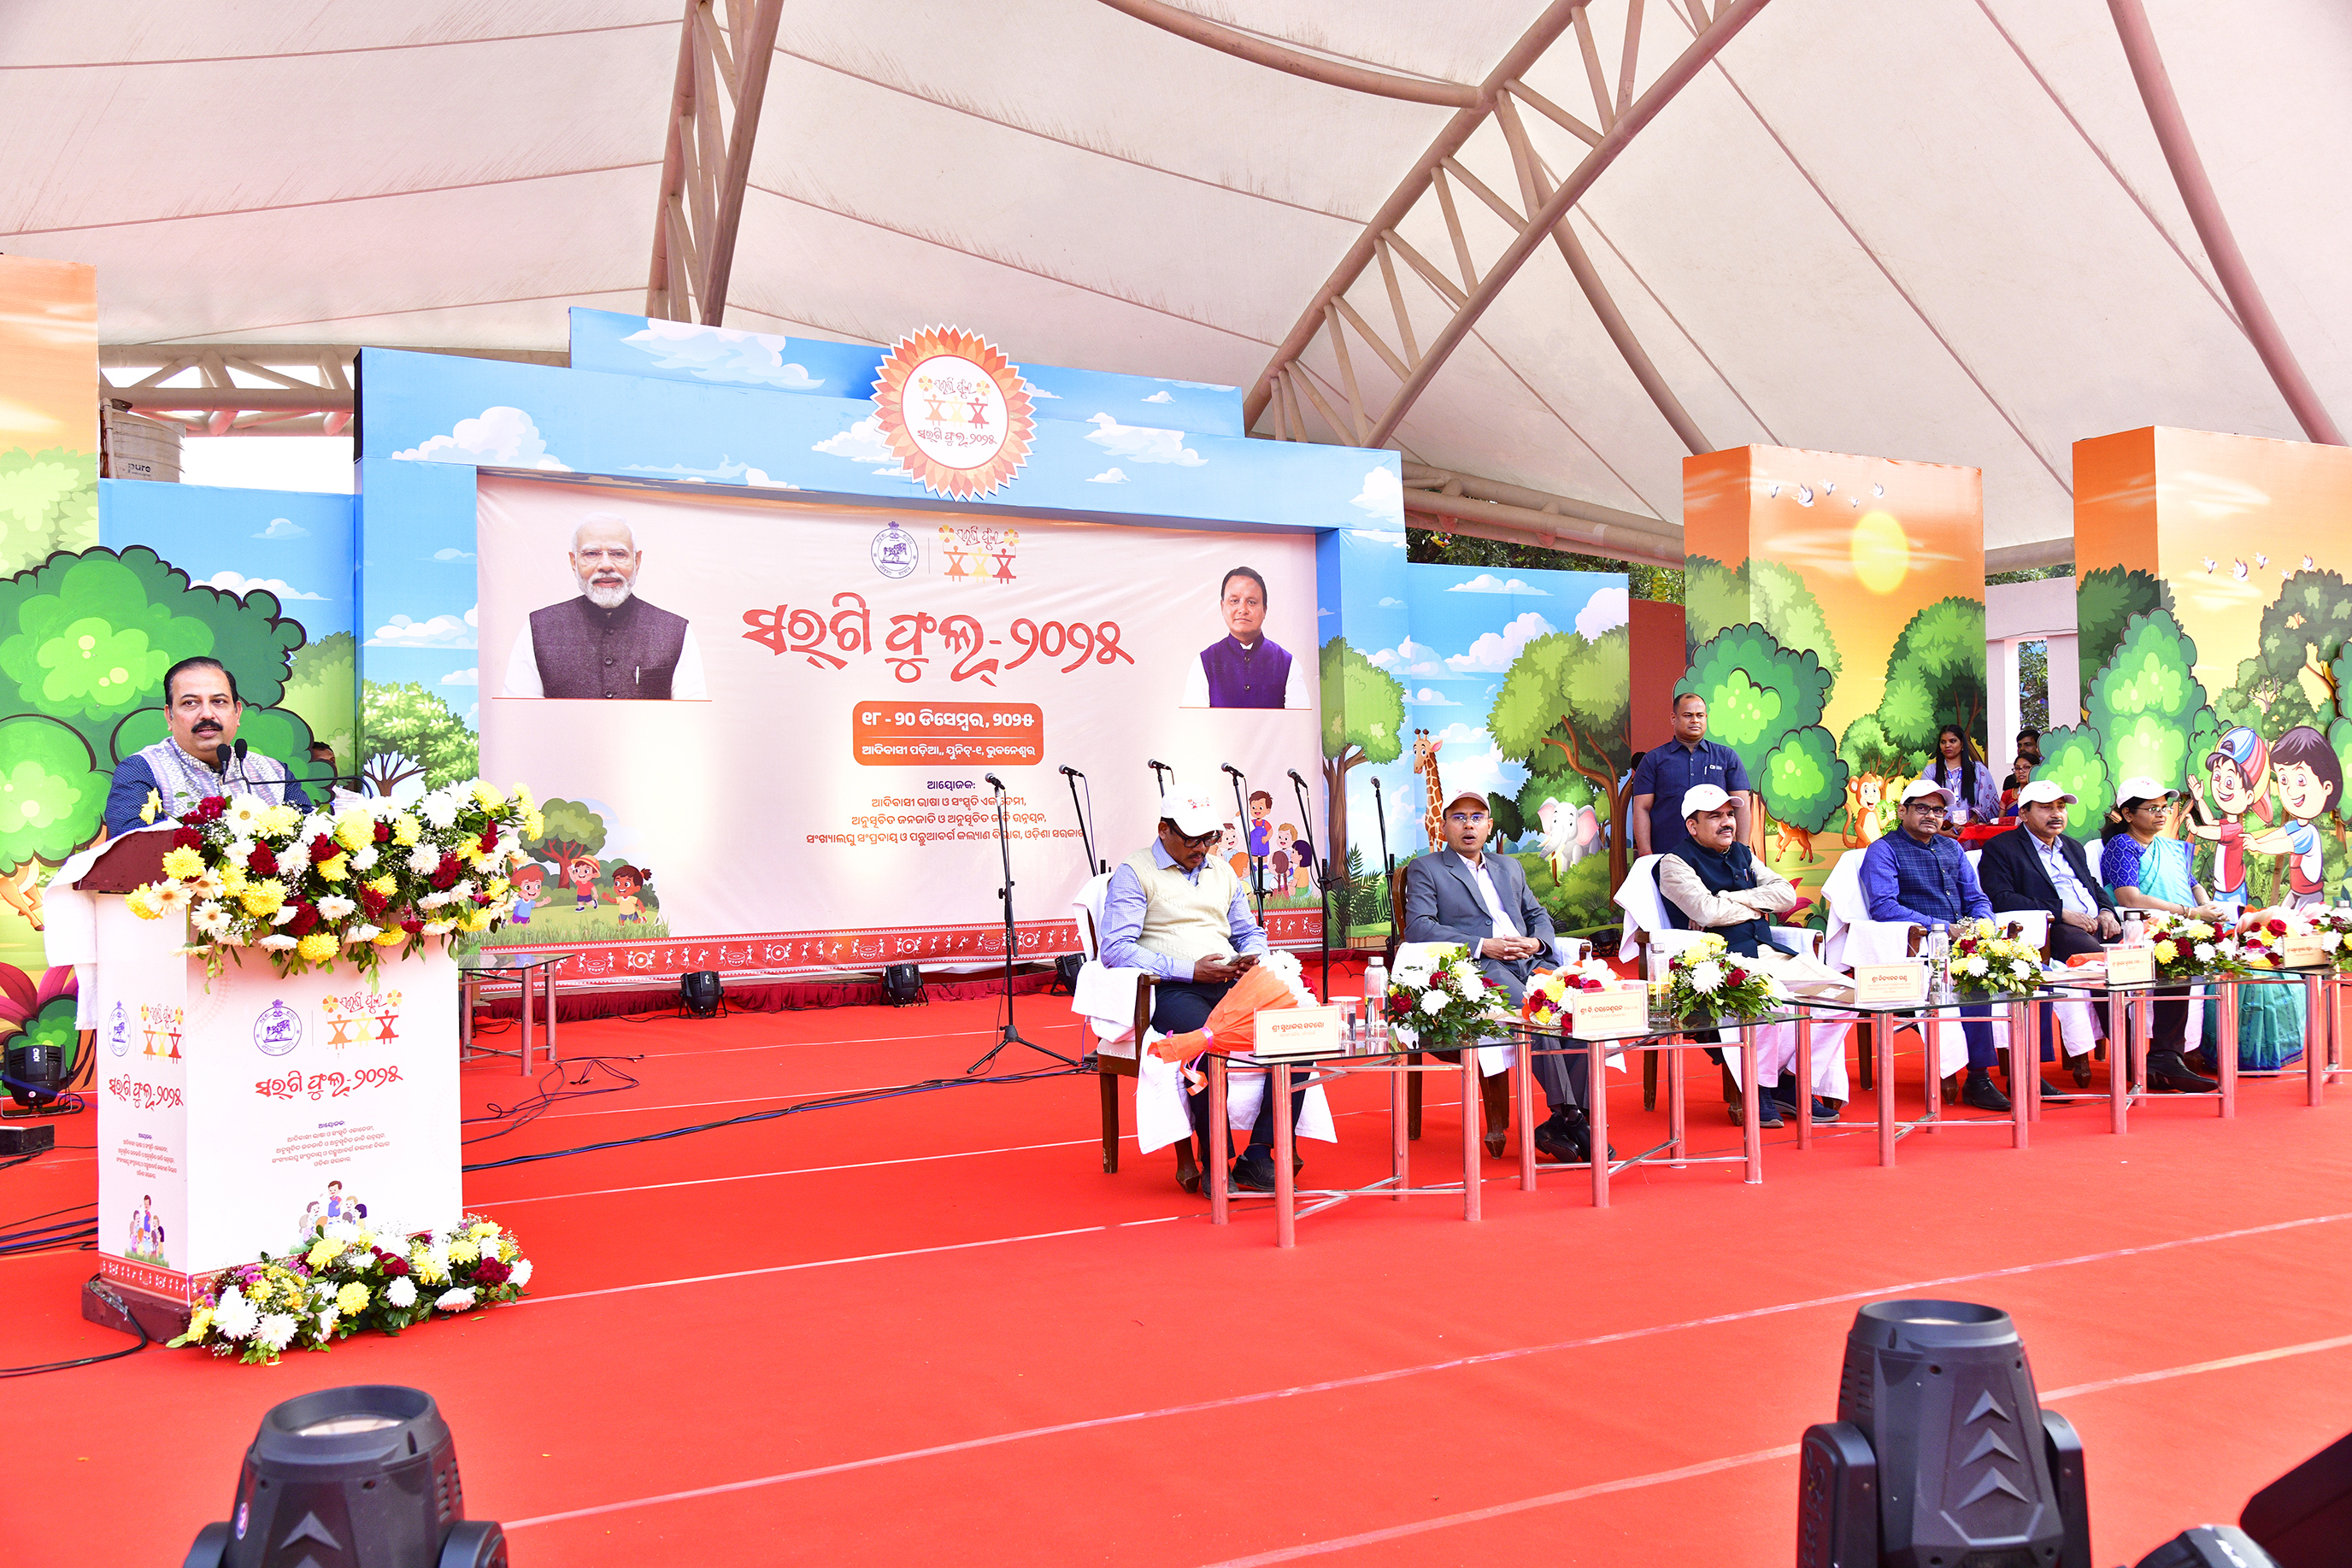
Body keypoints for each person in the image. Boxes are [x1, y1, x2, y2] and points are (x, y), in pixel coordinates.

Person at [1099, 790, 1301, 1192]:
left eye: (1209, 838)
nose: (1202, 848)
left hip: (1232, 983)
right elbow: (1116, 948)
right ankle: (1215, 1159)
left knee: (1297, 1033)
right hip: (1173, 990)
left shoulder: (1222, 871)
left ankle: (1259, 1153)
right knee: (1208, 1041)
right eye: (1192, 839)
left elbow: (1248, 932)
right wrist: (1190, 971)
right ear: (1164, 830)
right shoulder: (1135, 872)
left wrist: (1252, 958)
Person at [1401, 790, 1605, 1162]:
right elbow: (1419, 927)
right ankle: (1572, 1120)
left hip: (1529, 960)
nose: (1468, 825)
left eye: (1477, 817)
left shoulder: (1509, 866)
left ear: (1489, 826)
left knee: (1578, 1008)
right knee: (1537, 1013)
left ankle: (1566, 1121)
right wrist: (1483, 945)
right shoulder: (1427, 868)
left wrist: (1537, 942)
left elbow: (1537, 914)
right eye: (1459, 817)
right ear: (1444, 827)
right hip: (1479, 966)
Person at [1656, 784, 1838, 1125]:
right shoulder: (1674, 863)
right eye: (1715, 816)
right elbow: (1707, 911)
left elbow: (1785, 895)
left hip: (1768, 952)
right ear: (1692, 826)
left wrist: (1731, 897)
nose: (1727, 822)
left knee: (1842, 996)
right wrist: (1756, 906)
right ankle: (1760, 1087)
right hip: (1722, 960)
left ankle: (1791, 1081)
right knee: (1774, 1001)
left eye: (1729, 814)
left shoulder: (1743, 853)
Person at [1858, 778, 2011, 1112]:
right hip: (1921, 949)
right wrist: (1942, 928)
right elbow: (1884, 907)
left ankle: (2025, 1072)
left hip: (1964, 942)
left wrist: (1981, 924)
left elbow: (1977, 898)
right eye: (1922, 808)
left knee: (2029, 975)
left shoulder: (1952, 848)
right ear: (1902, 811)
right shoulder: (1883, 850)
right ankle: (1978, 1079)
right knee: (1975, 981)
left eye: (1939, 810)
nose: (1931, 815)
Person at [1976, 780, 2119, 1089]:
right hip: (2053, 931)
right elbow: (2001, 898)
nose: (2056, 814)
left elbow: (2093, 887)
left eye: (2061, 807)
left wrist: (2107, 911)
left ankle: (2160, 1054)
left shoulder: (2072, 846)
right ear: (2023, 814)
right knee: (2101, 962)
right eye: (2046, 808)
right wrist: (2060, 912)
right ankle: (2125, 1052)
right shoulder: (2002, 848)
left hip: (2098, 924)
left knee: (2146, 955)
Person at [2097, 778, 2225, 1092]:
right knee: (2178, 953)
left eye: (2164, 808)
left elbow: (2193, 884)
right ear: (2128, 814)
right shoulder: (2123, 845)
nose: (2161, 814)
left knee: (2190, 951)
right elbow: (2129, 898)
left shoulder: (2169, 847)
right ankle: (2150, 1059)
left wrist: (2208, 907)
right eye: (2152, 808)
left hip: (2177, 926)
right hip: (2135, 929)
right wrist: (2191, 913)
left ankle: (2169, 1058)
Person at [500, 514, 707, 700]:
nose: (606, 565)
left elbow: (691, 717)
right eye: (591, 554)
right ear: (574, 562)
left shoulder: (675, 631)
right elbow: (520, 716)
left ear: (637, 561)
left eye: (618, 554)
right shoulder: (538, 628)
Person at [103, 656, 314, 836]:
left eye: (219, 701)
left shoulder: (274, 772)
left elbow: (311, 837)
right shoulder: (142, 770)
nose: (206, 714)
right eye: (190, 703)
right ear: (169, 716)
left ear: (237, 712)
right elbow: (131, 848)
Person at [1629, 694, 1750, 860]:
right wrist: (1646, 854)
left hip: (1717, 858)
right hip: (1667, 855)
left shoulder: (1727, 757)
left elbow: (1742, 806)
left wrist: (1743, 851)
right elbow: (1642, 808)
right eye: (1688, 715)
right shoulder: (1653, 760)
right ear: (1674, 718)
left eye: (1700, 715)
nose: (1695, 720)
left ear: (1706, 717)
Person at [1179, 567, 1308, 708]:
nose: (1243, 610)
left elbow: (1299, 719)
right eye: (1234, 601)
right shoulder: (1204, 663)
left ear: (1264, 610)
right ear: (1222, 606)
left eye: (1251, 602)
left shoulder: (1288, 664)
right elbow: (1193, 719)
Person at [2246, 725, 2341, 907]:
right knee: (2279, 917)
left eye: (2300, 780)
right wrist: (2256, 838)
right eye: (2284, 780)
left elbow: (2284, 844)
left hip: (2310, 896)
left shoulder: (2308, 834)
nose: (2290, 790)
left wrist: (2257, 846)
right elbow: (2280, 833)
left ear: (2326, 787)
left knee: (2295, 922)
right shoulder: (2298, 826)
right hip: (2296, 892)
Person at [2187, 725, 2273, 913]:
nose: (2220, 786)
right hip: (2221, 890)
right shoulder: (2228, 822)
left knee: (2229, 925)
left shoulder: (2235, 829)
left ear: (2249, 796)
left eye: (2229, 782)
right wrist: (2199, 799)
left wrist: (2196, 830)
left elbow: (2215, 832)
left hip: (2233, 893)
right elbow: (2211, 822)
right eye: (2217, 776)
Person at [1922, 725, 2002, 831]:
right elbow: (1925, 803)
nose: (1947, 745)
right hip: (1941, 831)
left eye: (1952, 741)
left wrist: (1971, 822)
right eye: (1943, 742)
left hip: (1972, 831)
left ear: (1962, 743)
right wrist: (1945, 829)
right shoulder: (1931, 771)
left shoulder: (1978, 769)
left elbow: (1986, 803)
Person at [1998, 755, 2035, 821]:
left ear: (2036, 769)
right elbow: (2000, 821)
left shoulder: (2041, 793)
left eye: (2026, 767)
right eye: (2017, 768)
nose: (2020, 771)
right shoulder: (2008, 794)